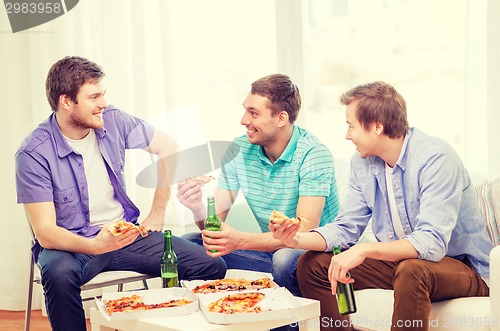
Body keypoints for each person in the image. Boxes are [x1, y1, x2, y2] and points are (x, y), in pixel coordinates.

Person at [15, 56, 226, 331]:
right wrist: (95, 246)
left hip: (124, 235)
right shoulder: (33, 153)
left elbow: (168, 146)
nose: (103, 103)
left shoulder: (112, 120)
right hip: (72, 245)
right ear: (66, 101)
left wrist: (158, 212)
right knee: (58, 273)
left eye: (103, 94)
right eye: (93, 97)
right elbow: (45, 232)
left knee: (211, 266)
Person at [269, 81, 493, 331]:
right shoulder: (362, 164)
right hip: (404, 263)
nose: (347, 135)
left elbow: (431, 242)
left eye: (351, 126)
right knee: (313, 265)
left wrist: (364, 251)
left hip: (463, 267)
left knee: (412, 270)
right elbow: (345, 229)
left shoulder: (435, 158)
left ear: (376, 125)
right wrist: (295, 240)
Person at [177, 73, 341, 298]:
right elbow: (214, 225)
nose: (243, 120)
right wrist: (196, 206)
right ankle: (218, 316)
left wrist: (240, 240)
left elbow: (303, 231)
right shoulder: (239, 150)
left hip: (316, 252)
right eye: (245, 110)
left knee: (285, 258)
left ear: (281, 118)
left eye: (253, 113)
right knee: (189, 246)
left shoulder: (313, 154)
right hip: (272, 250)